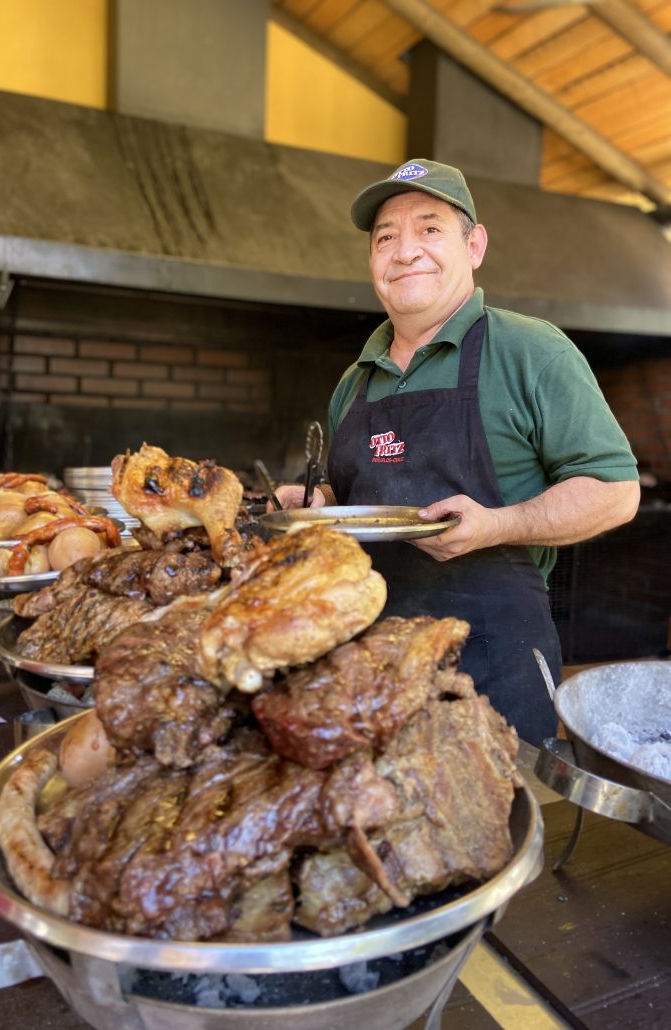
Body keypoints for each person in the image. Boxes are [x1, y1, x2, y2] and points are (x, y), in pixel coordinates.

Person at [274, 158, 640, 746]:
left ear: (474, 246)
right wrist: (318, 503)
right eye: (385, 237)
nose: (405, 250)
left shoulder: (529, 350)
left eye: (430, 229)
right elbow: (358, 498)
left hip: (494, 665)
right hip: (369, 663)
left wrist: (499, 525)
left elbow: (616, 493)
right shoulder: (355, 380)